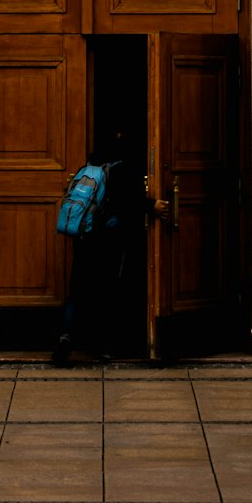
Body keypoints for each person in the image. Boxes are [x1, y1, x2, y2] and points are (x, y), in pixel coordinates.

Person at [53, 130, 168, 367]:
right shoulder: (122, 169)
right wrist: (151, 206)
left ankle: (65, 339)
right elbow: (126, 203)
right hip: (108, 240)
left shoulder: (90, 166)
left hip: (84, 238)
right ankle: (105, 346)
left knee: (77, 291)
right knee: (108, 292)